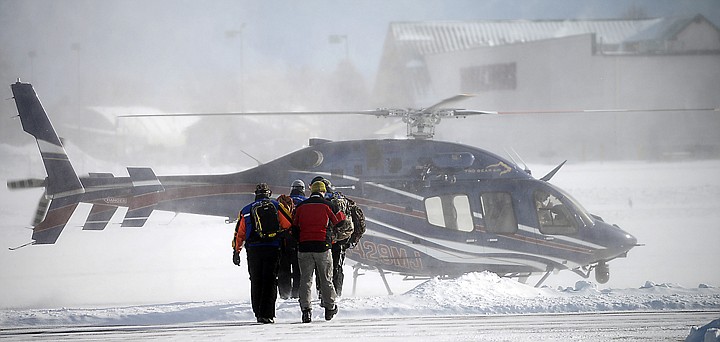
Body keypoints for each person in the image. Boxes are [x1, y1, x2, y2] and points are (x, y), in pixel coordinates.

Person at [232, 183, 292, 324]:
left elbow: (239, 234)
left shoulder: (246, 210)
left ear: (256, 194)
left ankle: (258, 312)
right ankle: (267, 314)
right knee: (270, 280)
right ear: (268, 193)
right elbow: (288, 223)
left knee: (256, 279)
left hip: (253, 250)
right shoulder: (276, 206)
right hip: (272, 247)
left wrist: (236, 251)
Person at [292, 180, 346, 323]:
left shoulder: (301, 206)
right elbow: (340, 221)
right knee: (326, 278)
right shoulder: (328, 205)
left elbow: (294, 225)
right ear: (323, 191)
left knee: (306, 280)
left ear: (311, 191)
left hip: (304, 247)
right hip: (323, 246)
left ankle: (306, 310)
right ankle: (329, 308)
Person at [277, 180, 306, 300]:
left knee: (284, 269)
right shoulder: (306, 203)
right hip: (300, 241)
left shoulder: (283, 202)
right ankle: (296, 294)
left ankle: (284, 294)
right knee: (299, 269)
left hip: (284, 241)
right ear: (303, 189)